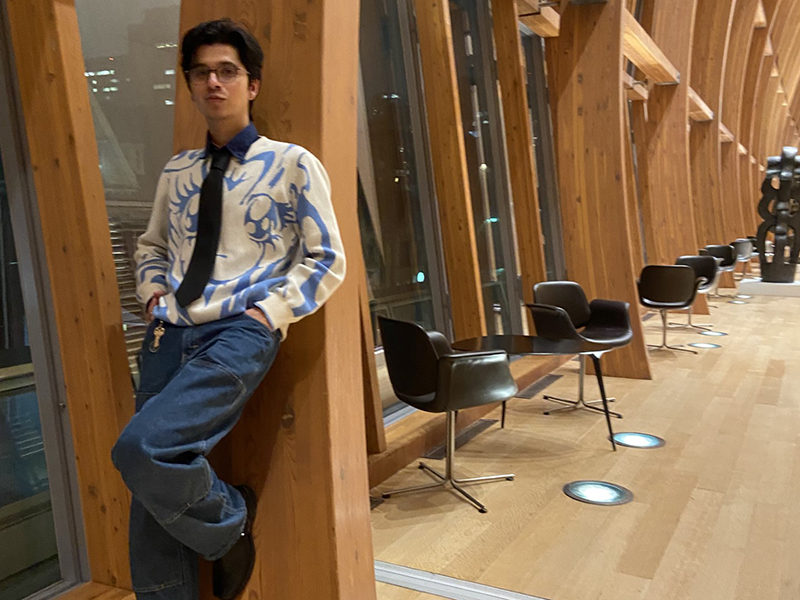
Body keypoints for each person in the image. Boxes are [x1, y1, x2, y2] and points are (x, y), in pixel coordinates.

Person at [111, 19, 346, 600]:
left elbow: (326, 258)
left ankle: (227, 524)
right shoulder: (176, 171)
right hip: (169, 333)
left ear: (252, 84)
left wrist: (270, 314)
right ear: (190, 84)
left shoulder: (293, 163)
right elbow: (151, 246)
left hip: (240, 332)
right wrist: (153, 295)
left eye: (227, 71)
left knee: (142, 449)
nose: (213, 82)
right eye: (201, 73)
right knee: (148, 483)